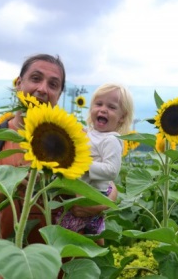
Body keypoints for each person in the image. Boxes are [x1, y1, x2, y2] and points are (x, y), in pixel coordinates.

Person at [0, 54, 117, 243]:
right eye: (36, 79)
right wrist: (7, 187)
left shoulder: (75, 137)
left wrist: (100, 205)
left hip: (74, 266)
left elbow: (108, 185)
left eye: (53, 85)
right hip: (18, 264)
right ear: (19, 84)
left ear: (59, 95)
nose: (43, 89)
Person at [58, 83, 134, 244]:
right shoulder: (90, 134)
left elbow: (112, 170)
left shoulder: (111, 140)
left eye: (112, 107)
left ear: (122, 117)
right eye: (98, 104)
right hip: (81, 193)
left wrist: (83, 164)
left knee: (72, 237)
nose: (103, 109)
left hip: (93, 196)